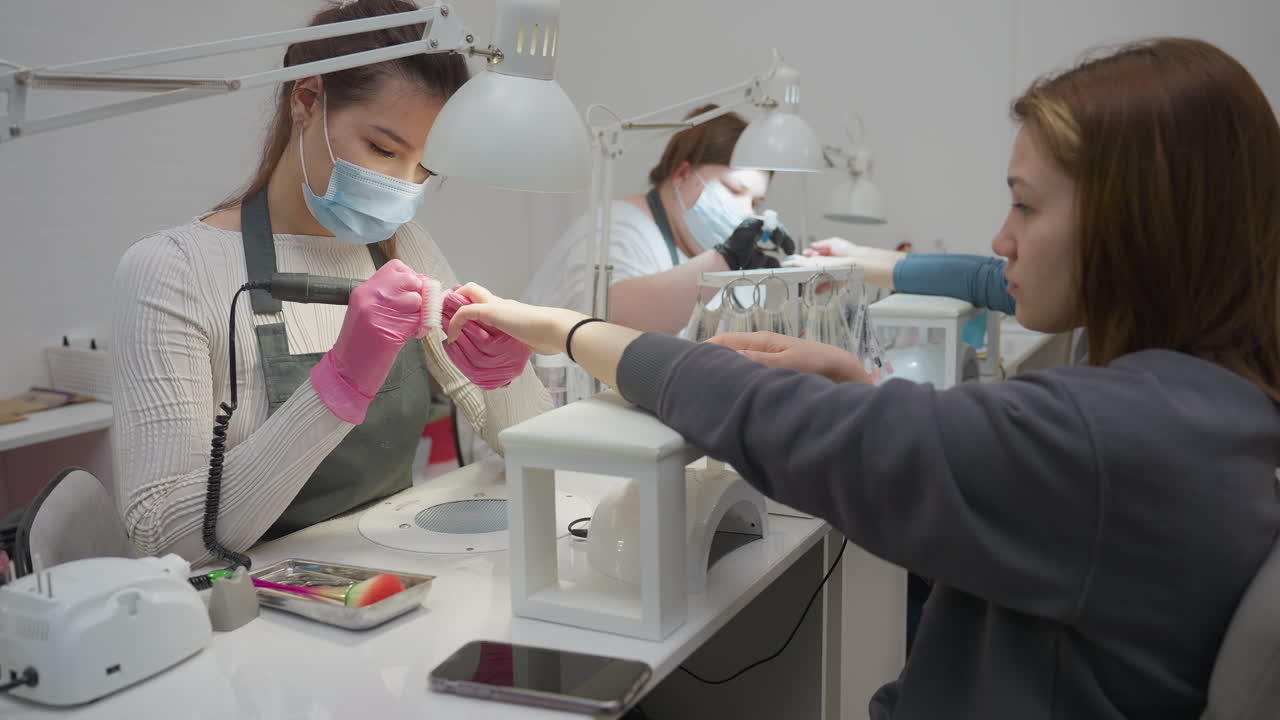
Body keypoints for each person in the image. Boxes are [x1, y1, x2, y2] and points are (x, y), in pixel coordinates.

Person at [443, 38, 1280, 717]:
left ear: (1138, 222)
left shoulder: (1117, 439)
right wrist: (868, 401)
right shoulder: (1212, 411)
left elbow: (805, 423)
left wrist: (573, 331)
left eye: (1025, 204)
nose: (1001, 237)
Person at [111, 0, 548, 564]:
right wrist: (335, 389)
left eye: (426, 169)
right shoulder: (174, 270)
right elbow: (159, 540)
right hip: (253, 618)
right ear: (306, 100)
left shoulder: (402, 247)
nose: (403, 187)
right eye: (383, 150)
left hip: (394, 587)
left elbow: (534, 448)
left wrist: (504, 375)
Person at [522, 105, 794, 335]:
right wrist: (726, 260)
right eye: (734, 190)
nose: (747, 213)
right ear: (682, 174)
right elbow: (610, 325)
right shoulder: (618, 227)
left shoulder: (702, 247)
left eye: (757, 203)